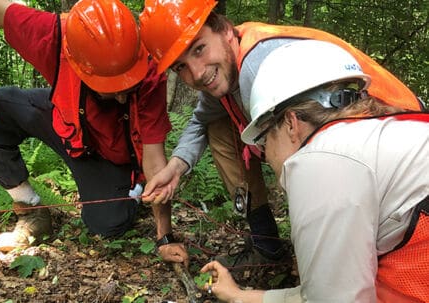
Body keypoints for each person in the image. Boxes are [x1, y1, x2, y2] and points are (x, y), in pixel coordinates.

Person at [138, 0, 424, 268]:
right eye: (181, 67)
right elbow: (201, 120)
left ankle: (337, 255)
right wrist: (175, 168)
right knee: (218, 126)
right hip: (362, 149)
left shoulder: (262, 67)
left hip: (395, 139)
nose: (197, 73)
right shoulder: (223, 72)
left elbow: (315, 157)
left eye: (199, 49)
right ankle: (269, 246)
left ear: (225, 30)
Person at [0, 0, 188, 265]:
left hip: (109, 153)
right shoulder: (51, 37)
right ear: (78, 64)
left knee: (108, 223)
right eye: (111, 87)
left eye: (128, 83)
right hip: (63, 117)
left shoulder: (149, 69)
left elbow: (154, 155)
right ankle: (31, 210)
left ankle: (128, 191)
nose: (123, 98)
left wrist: (164, 237)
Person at [200, 39, 429, 303]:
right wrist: (239, 296)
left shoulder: (321, 159)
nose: (265, 155)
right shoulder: (372, 137)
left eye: (264, 140)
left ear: (290, 123)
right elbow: (331, 291)